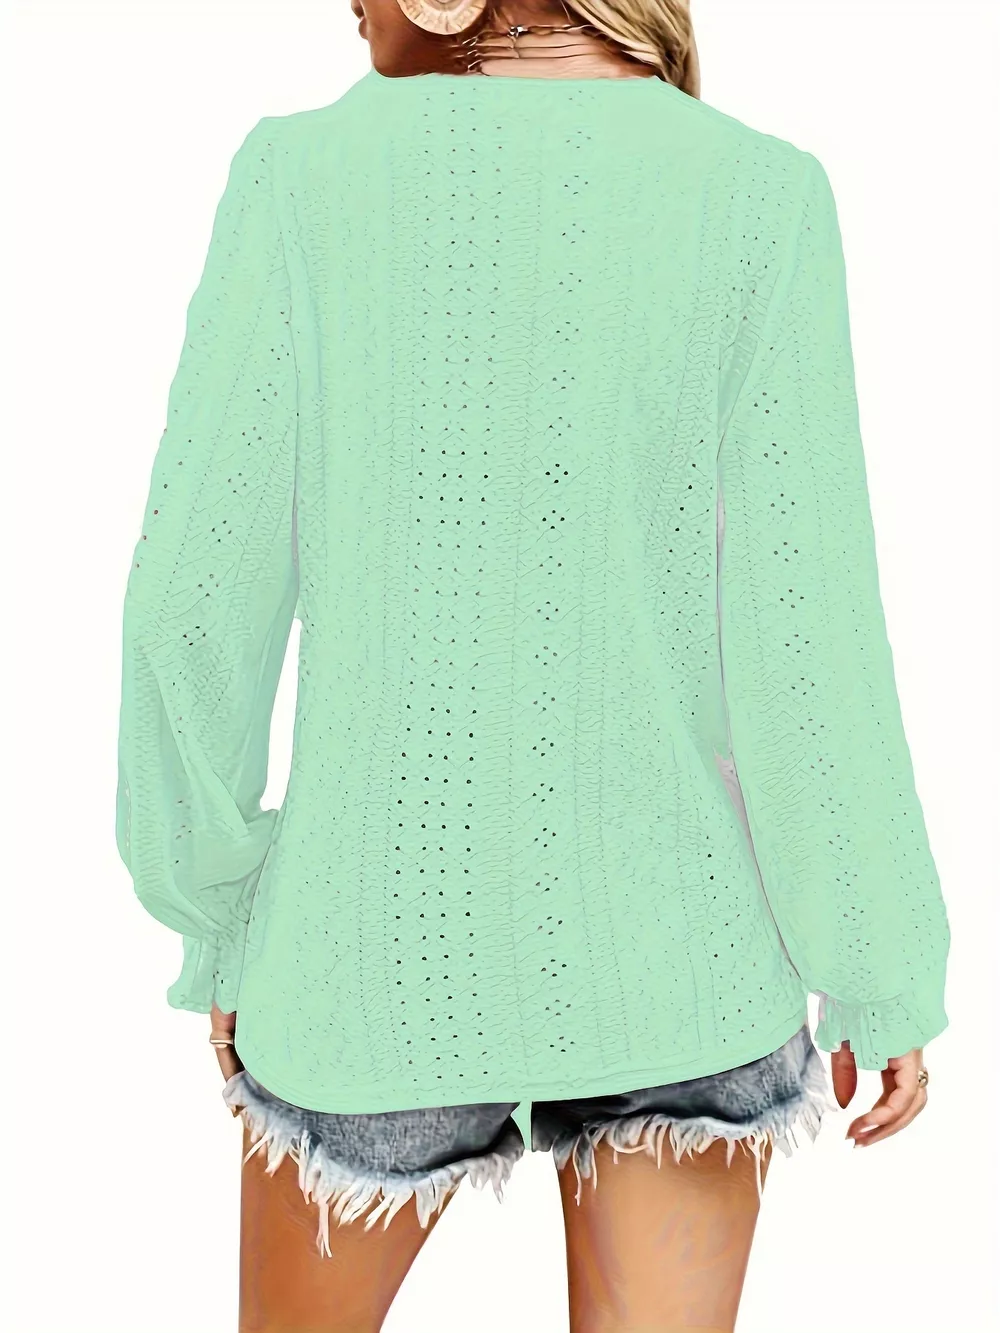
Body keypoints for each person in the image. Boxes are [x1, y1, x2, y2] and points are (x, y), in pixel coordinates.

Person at [115, 2, 952, 1329]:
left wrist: (216, 917)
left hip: (366, 954)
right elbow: (805, 636)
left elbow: (189, 606)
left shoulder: (301, 181)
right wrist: (877, 962)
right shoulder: (759, 195)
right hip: (684, 962)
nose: (346, 7)